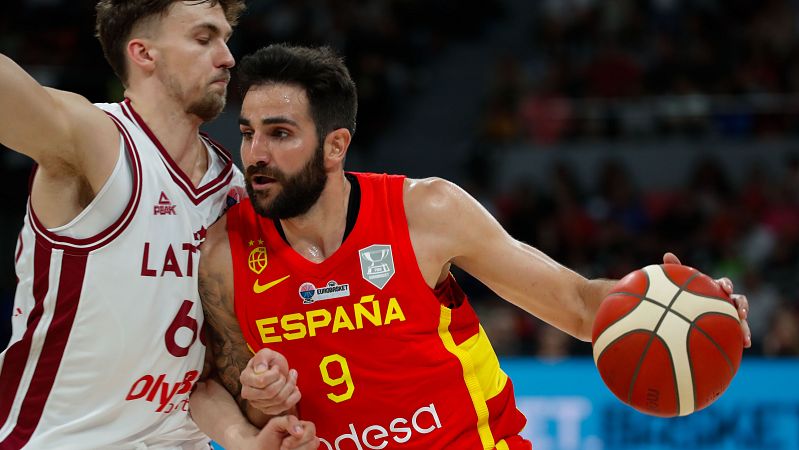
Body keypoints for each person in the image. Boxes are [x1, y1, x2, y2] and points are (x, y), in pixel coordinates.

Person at [195, 44, 752, 449]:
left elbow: (582, 306)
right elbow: (228, 391)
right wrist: (258, 400)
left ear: (336, 145)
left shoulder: (425, 212)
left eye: (280, 133)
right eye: (247, 133)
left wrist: (672, 301)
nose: (255, 154)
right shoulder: (226, 253)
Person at [0, 1, 317, 448]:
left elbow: (206, 375)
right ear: (144, 54)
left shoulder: (237, 192)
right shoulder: (96, 141)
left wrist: (248, 432)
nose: (227, 57)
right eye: (204, 39)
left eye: (226, 40)